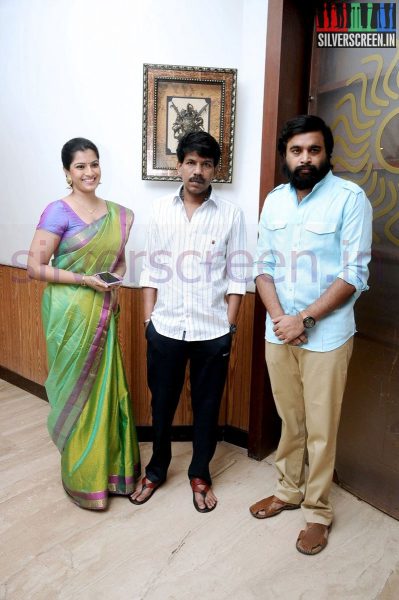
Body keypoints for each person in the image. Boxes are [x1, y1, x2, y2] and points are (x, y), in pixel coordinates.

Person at [249, 115, 372, 554]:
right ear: (285, 156)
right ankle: (288, 490)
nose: (305, 158)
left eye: (314, 150)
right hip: (278, 330)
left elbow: (354, 273)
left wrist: (306, 319)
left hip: (327, 335)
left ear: (326, 153)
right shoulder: (275, 200)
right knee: (291, 419)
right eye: (297, 150)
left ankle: (318, 512)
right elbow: (262, 267)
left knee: (321, 428)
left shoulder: (349, 198)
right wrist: (282, 318)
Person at [129, 131, 247, 512]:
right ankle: (157, 469)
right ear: (178, 166)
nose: (198, 171)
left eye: (207, 164)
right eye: (191, 162)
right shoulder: (160, 211)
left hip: (212, 332)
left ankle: (200, 473)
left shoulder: (232, 215)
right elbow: (150, 269)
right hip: (164, 329)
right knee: (161, 405)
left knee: (208, 407)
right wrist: (148, 319)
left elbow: (238, 276)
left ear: (216, 169)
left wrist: (229, 328)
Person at [27, 137, 140, 510]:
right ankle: (80, 475)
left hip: (103, 309)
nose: (89, 172)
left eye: (94, 164)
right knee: (74, 390)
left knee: (104, 389)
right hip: (68, 312)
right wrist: (84, 280)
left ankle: (109, 472)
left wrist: (112, 276)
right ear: (67, 172)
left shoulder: (119, 214)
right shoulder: (57, 212)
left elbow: (120, 262)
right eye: (80, 166)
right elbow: (35, 267)